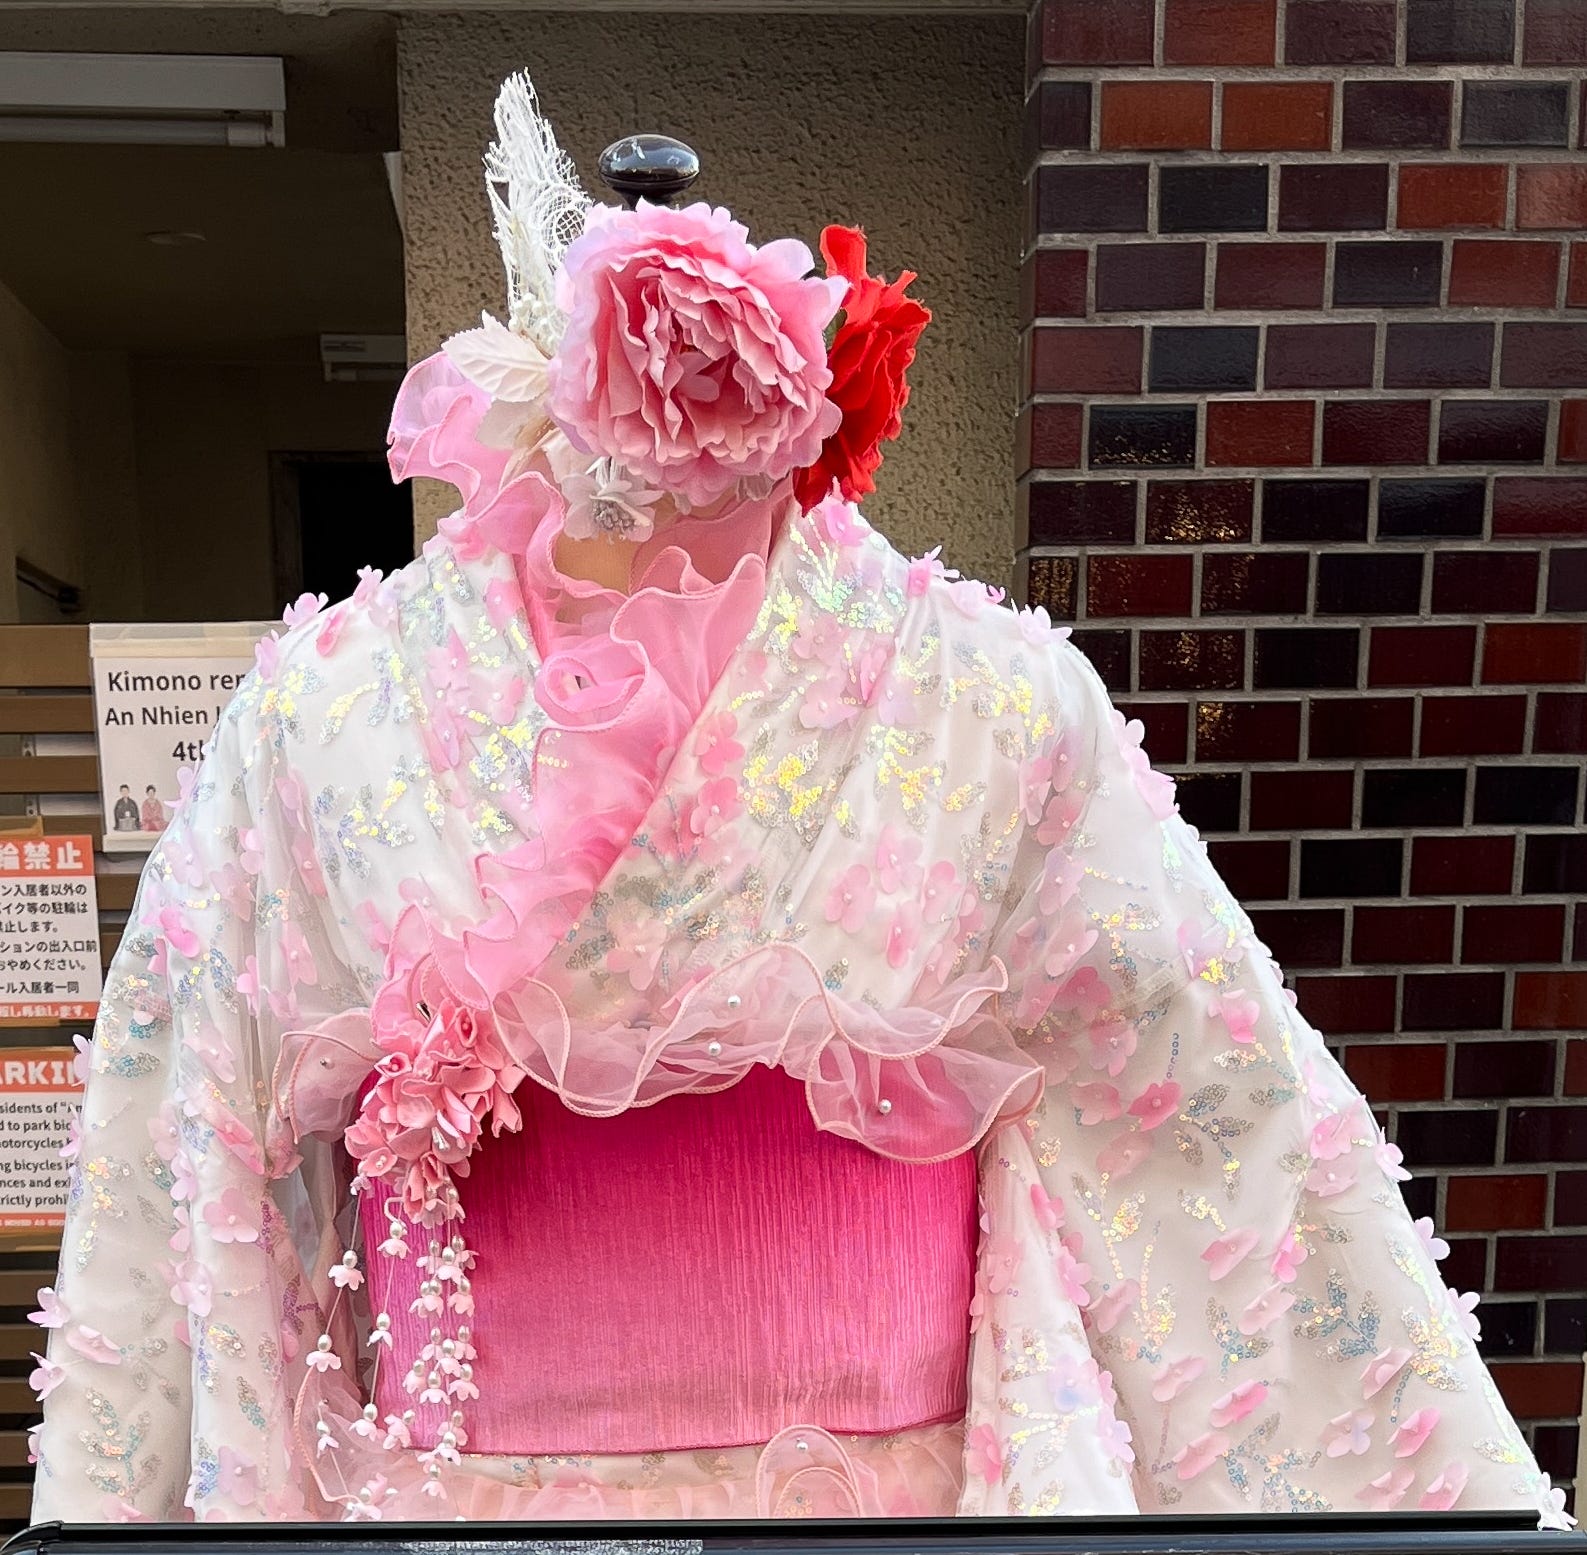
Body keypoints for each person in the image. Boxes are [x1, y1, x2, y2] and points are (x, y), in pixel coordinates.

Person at [26, 76, 1566, 1527]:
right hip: (475, 1511)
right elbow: (192, 1153)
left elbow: (1208, 1124)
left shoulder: (981, 697)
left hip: (897, 1514)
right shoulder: (327, 712)